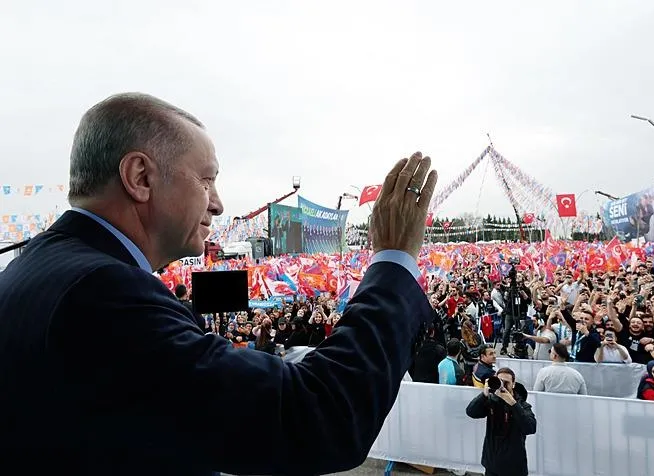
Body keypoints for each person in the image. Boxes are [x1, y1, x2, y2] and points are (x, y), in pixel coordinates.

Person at [0, 93, 439, 475]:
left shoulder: (32, 272)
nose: (218, 203)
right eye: (206, 179)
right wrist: (394, 259)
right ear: (140, 177)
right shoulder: (104, 295)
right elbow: (319, 414)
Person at [466, 367, 537, 476]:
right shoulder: (491, 401)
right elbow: (471, 412)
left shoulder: (522, 405)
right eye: (500, 382)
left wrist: (513, 403)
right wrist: (484, 395)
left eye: (506, 382)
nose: (502, 385)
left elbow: (530, 428)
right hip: (491, 464)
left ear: (513, 384)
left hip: (514, 467)